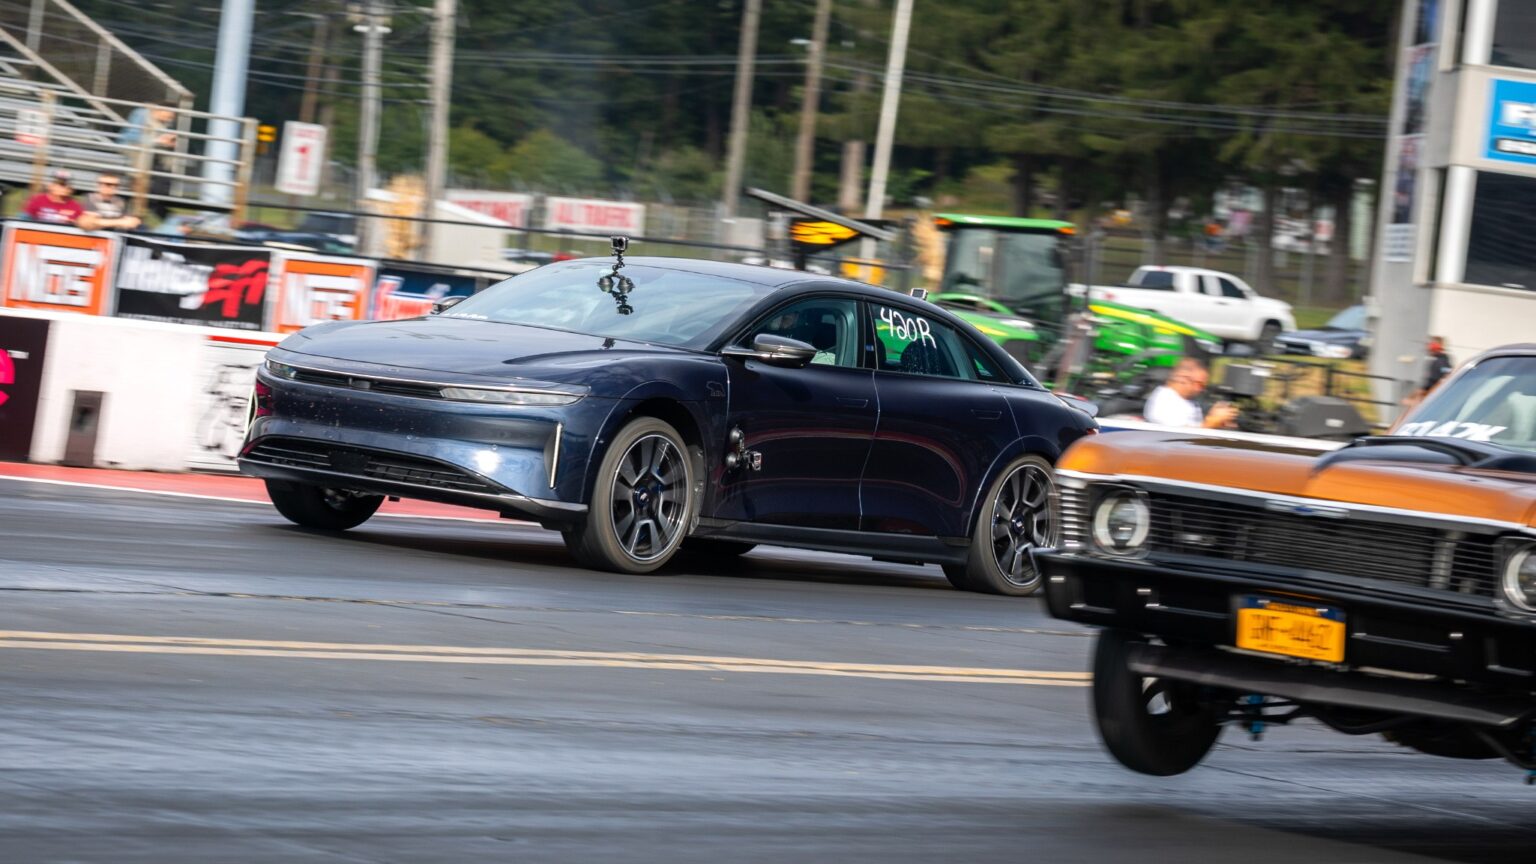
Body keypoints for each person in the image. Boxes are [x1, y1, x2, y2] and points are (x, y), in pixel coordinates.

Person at [1143, 357, 1239, 428]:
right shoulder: (1164, 400)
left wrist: (1219, 422)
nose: (1201, 389)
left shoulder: (1186, 400)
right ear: (1183, 378)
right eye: (1200, 384)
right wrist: (1213, 420)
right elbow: (1183, 438)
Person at [77, 171, 142, 232]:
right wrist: (120, 222)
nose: (112, 187)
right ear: (99, 185)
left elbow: (130, 222)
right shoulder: (90, 198)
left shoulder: (121, 202)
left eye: (116, 185)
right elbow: (87, 223)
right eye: (108, 184)